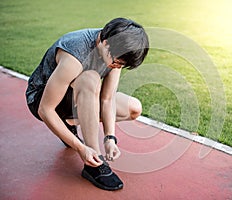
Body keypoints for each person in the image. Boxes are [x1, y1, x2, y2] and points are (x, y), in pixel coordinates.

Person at [25, 18, 149, 191]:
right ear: (105, 43)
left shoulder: (116, 48)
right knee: (91, 78)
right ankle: (94, 163)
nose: (116, 66)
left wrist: (110, 138)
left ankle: (69, 124)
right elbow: (45, 109)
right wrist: (81, 148)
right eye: (117, 62)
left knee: (134, 108)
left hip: (76, 98)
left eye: (122, 65)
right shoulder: (75, 52)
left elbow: (107, 99)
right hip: (42, 98)